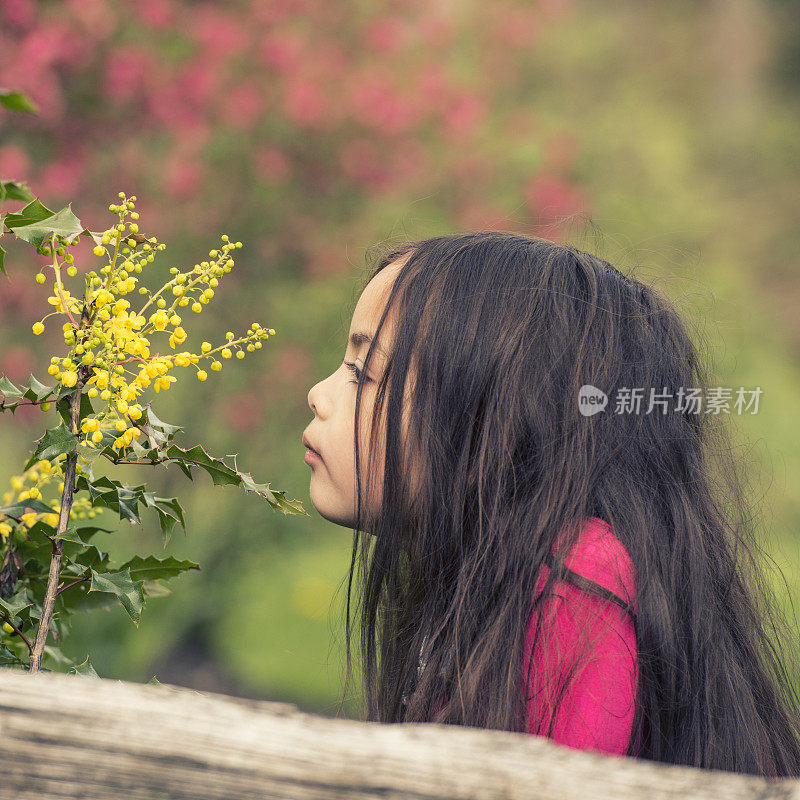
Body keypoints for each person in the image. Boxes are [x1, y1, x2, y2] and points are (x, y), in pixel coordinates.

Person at [303, 231, 800, 775]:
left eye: (362, 371)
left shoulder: (581, 575)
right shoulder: (478, 584)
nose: (318, 394)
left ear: (497, 420)